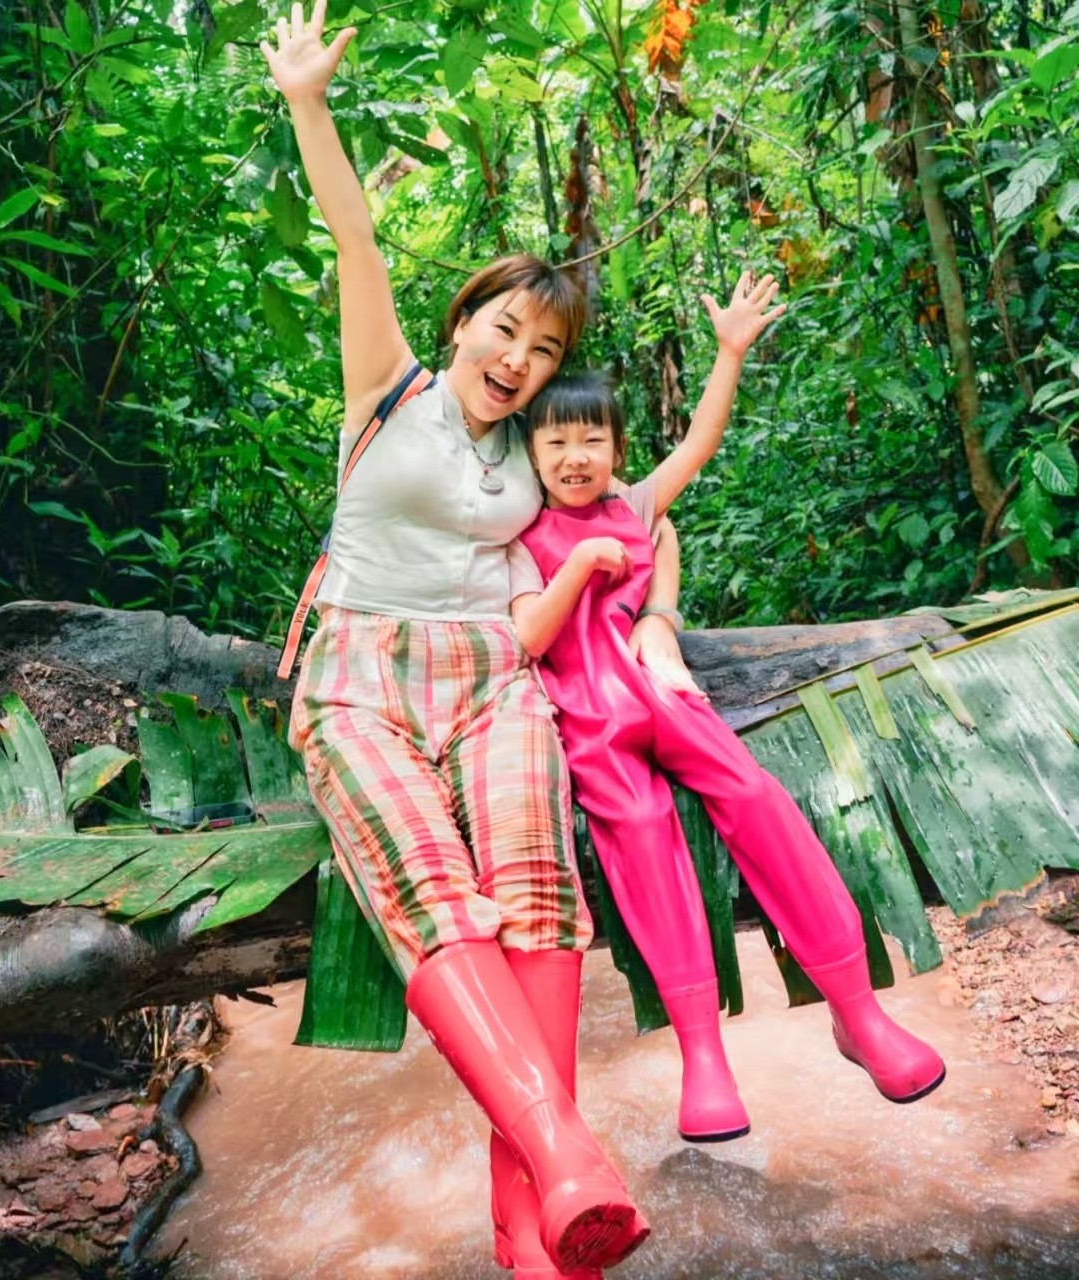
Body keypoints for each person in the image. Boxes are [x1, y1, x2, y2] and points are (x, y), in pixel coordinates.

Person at [262, 5, 649, 1275]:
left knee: (538, 900)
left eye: (543, 352)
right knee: (432, 887)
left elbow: (633, 509)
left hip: (495, 672)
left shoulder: (530, 449)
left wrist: (663, 625)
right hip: (361, 672)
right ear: (461, 321)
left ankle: (528, 1241)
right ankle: (563, 1153)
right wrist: (310, 103)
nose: (520, 360)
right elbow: (354, 238)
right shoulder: (389, 391)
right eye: (504, 331)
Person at [507, 273, 947, 1146]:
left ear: (616, 448)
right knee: (637, 827)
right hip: (589, 720)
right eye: (556, 441)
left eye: (592, 438)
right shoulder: (517, 532)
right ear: (531, 452)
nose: (575, 456)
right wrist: (576, 565)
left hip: (663, 692)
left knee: (752, 797)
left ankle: (858, 1011)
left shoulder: (635, 506)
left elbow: (701, 443)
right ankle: (703, 1054)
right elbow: (526, 634)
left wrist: (731, 350)